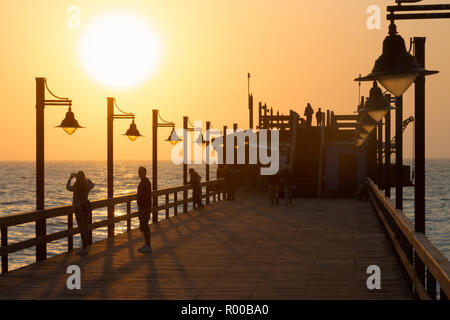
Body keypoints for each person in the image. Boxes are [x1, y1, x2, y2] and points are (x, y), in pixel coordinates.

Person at [66, 171, 95, 255]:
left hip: (78, 209)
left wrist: (70, 178)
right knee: (85, 227)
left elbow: (67, 187)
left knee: (81, 228)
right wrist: (86, 179)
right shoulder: (87, 186)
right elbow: (93, 184)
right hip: (86, 208)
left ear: (77, 177)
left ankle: (84, 248)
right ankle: (85, 247)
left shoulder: (76, 186)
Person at [137, 167, 152, 253]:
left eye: (141, 172)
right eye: (138, 172)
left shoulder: (145, 182)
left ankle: (147, 245)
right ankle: (147, 244)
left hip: (144, 208)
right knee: (144, 226)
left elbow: (145, 196)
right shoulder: (143, 182)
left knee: (145, 226)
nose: (139, 174)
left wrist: (143, 207)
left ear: (145, 173)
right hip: (143, 207)